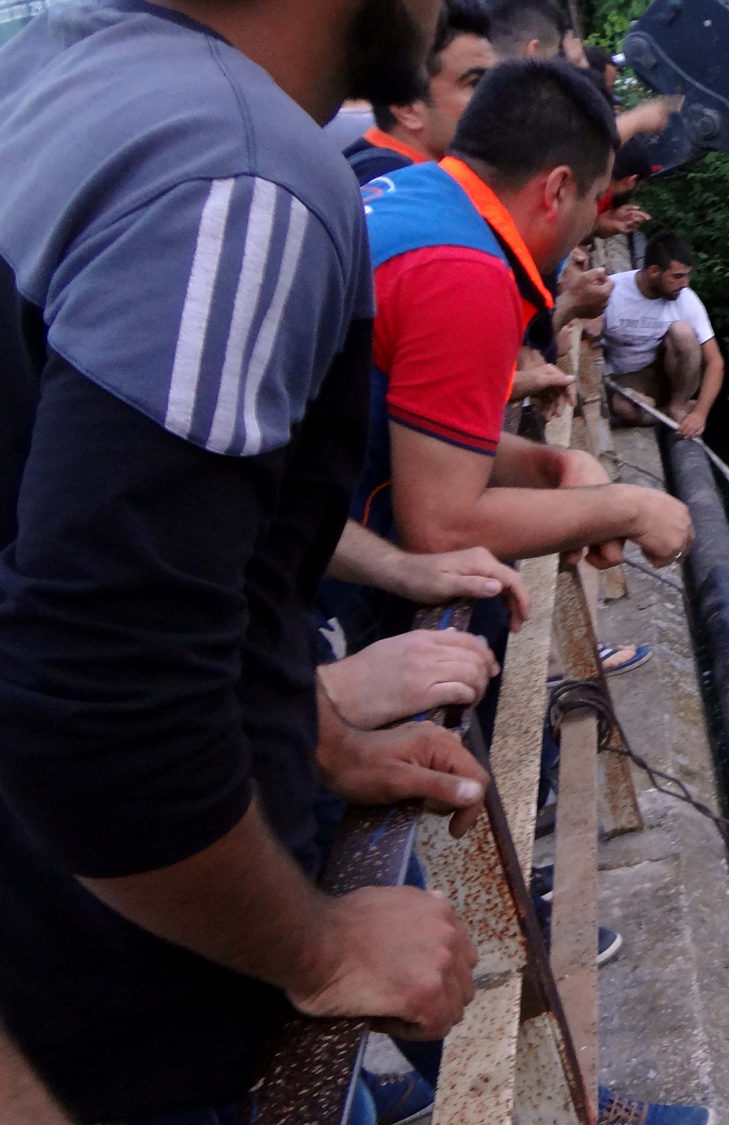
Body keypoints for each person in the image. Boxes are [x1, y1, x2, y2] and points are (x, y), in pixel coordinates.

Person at [0, 0, 489, 1118]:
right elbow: (97, 696)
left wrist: (318, 740)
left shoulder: (49, 81)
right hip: (141, 1024)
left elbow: (157, 557)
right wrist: (318, 949)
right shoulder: (239, 174)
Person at [353, 57, 693, 581]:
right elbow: (441, 528)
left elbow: (436, 447)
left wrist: (556, 466)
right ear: (557, 190)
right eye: (593, 195)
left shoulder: (420, 195)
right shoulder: (463, 272)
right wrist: (630, 509)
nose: (590, 221)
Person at [344, 0, 495, 183]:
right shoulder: (389, 190)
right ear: (406, 107)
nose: (499, 96)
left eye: (496, 80)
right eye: (475, 83)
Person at [600, 232, 724, 436]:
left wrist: (700, 415)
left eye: (686, 275)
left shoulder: (686, 299)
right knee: (624, 407)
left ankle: (678, 405)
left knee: (682, 331)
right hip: (627, 377)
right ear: (654, 271)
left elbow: (715, 362)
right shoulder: (612, 290)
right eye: (677, 277)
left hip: (674, 375)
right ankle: (665, 412)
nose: (685, 284)